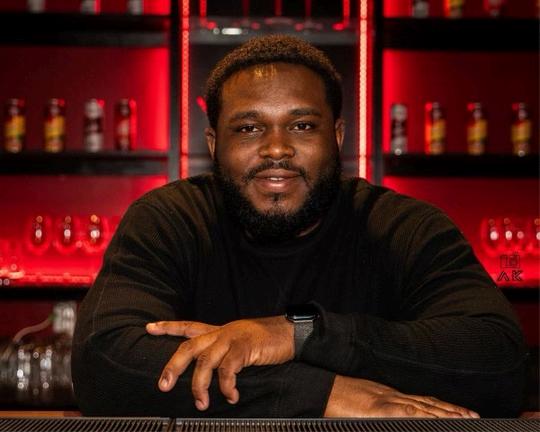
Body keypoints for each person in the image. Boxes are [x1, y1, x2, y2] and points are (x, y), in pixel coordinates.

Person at [72, 35, 527, 418]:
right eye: (249, 128)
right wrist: (321, 392)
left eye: (303, 126)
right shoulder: (169, 220)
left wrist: (299, 333)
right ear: (213, 144)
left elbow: (500, 360)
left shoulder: (405, 226)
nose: (276, 149)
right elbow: (104, 363)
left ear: (338, 137)